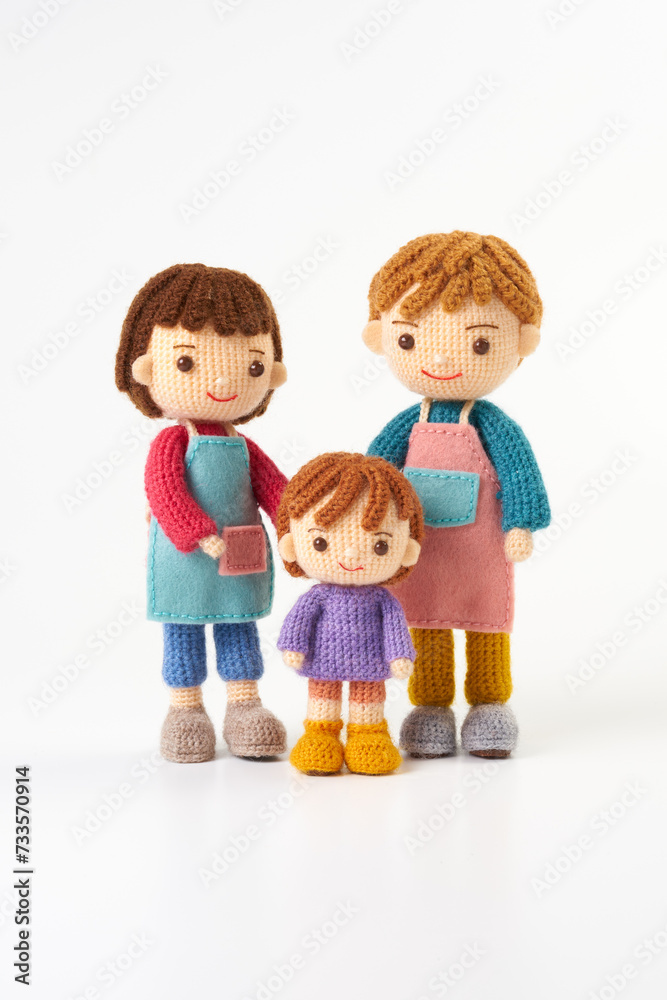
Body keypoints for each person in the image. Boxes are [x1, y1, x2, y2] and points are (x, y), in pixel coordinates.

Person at [363, 232, 551, 758]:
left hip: (481, 546)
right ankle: (430, 707)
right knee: (424, 619)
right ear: (380, 337)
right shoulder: (406, 424)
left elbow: (520, 474)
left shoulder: (493, 425)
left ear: (522, 341)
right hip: (420, 550)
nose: (442, 358)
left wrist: (520, 522)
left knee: (486, 618)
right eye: (410, 340)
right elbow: (376, 474)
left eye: (479, 343)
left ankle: (489, 705)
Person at [115, 263, 288, 763]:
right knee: (184, 629)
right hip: (185, 556)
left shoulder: (244, 445)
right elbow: (164, 490)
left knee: (239, 626)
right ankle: (185, 709)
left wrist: (297, 522)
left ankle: (244, 706)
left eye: (252, 366)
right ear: (146, 367)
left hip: (240, 553)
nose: (223, 380)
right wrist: (195, 530)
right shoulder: (173, 441)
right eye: (188, 362)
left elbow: (276, 490)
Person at [276, 453, 424, 775]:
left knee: (367, 701)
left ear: (407, 550)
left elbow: (394, 627)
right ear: (292, 543)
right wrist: (294, 645)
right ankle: (320, 735)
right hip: (324, 661)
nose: (351, 556)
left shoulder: (382, 600)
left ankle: (368, 736)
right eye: (320, 542)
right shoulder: (318, 597)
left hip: (369, 664)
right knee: (322, 700)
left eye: (380, 546)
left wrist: (399, 654)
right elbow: (299, 621)